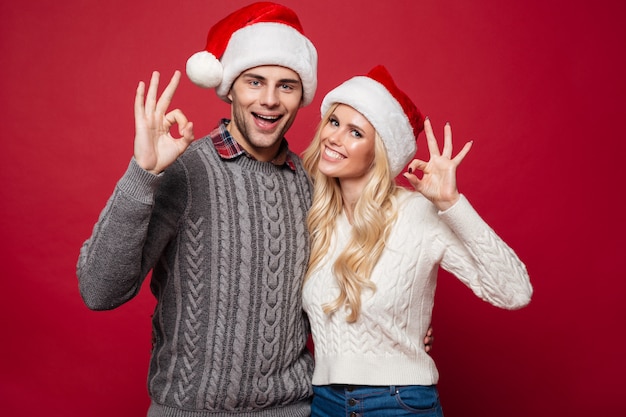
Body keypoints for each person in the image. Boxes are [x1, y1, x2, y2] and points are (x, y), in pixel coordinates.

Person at [77, 3, 319, 416]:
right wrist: (143, 173)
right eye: (255, 81)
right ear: (229, 89)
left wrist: (400, 335)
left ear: (301, 97)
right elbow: (99, 291)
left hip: (295, 409)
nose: (270, 100)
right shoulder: (185, 169)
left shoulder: (311, 186)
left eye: (286, 86)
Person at [300, 65, 533, 416]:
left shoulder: (416, 214)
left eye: (355, 133)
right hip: (323, 402)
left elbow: (515, 291)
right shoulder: (315, 213)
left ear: (380, 151)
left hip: (397, 403)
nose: (335, 138)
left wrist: (451, 204)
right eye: (334, 123)